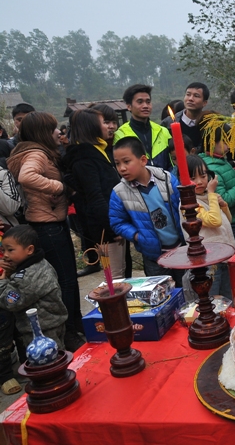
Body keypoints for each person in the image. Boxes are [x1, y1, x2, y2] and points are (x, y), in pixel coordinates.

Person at [6, 112, 85, 352]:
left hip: (51, 222)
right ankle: (69, 333)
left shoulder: (38, 152)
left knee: (68, 278)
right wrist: (58, 187)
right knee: (66, 280)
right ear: (43, 133)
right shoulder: (36, 154)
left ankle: (76, 325)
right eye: (53, 129)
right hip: (47, 225)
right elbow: (26, 176)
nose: (58, 132)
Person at [0, 225, 68, 394]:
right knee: (56, 360)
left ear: (29, 250)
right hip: (52, 322)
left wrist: (2, 281)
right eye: (3, 250)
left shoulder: (28, 276)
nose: (5, 255)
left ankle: (54, 394)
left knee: (47, 368)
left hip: (41, 331)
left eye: (10, 250)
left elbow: (11, 302)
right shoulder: (38, 264)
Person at [109, 137, 185, 286]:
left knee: (187, 288)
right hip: (154, 255)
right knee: (162, 292)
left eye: (126, 161)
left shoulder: (166, 179)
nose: (122, 168)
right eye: (117, 163)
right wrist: (137, 236)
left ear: (143, 160)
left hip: (180, 248)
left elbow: (181, 204)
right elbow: (117, 222)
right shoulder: (119, 192)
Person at [62, 109, 126, 279]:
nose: (108, 127)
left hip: (114, 221)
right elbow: (95, 197)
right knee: (116, 279)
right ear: (92, 127)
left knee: (122, 273)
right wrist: (112, 227)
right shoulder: (85, 158)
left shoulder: (98, 150)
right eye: (104, 122)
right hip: (106, 229)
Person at [180, 155, 235, 300]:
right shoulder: (189, 204)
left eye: (203, 176)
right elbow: (214, 221)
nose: (199, 182)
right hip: (209, 261)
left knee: (227, 299)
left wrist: (223, 205)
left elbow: (226, 221)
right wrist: (211, 194)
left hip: (224, 257)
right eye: (193, 178)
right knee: (213, 300)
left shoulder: (207, 197)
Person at [200, 122, 235, 250]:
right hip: (233, 221)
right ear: (212, 142)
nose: (229, 146)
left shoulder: (221, 161)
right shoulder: (211, 168)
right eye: (225, 142)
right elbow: (223, 198)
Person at [113, 84, 173, 171]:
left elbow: (172, 163)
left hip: (165, 178)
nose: (145, 106)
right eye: (140, 102)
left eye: (148, 102)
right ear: (129, 106)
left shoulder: (163, 131)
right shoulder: (121, 135)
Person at [161, 83, 209, 150]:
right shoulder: (167, 123)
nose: (190, 99)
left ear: (204, 103)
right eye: (188, 94)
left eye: (196, 96)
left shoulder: (210, 125)